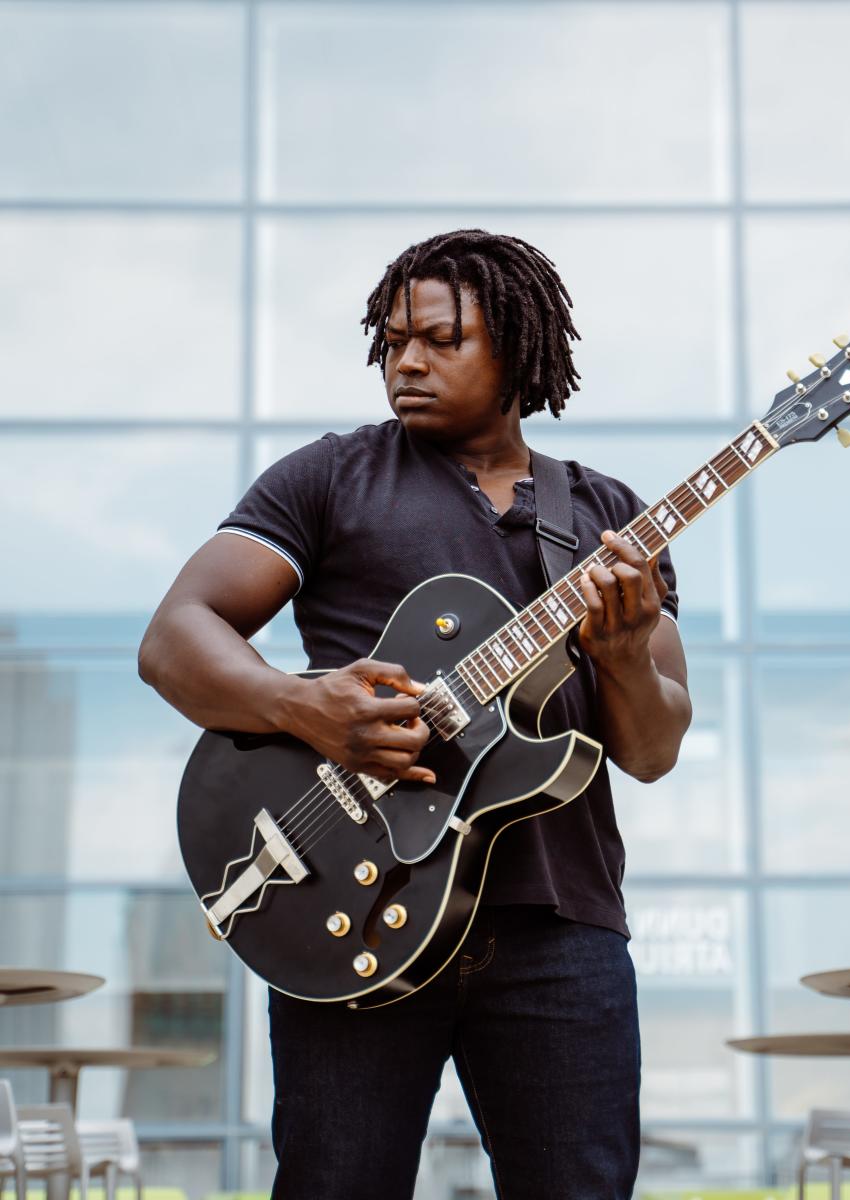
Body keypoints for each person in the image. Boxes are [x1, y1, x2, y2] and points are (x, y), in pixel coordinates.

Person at [139, 229, 692, 1200]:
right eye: (393, 340)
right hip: (341, 909)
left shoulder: (608, 519)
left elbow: (650, 751)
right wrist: (301, 705)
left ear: (520, 352)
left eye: (440, 339)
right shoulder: (331, 477)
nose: (406, 360)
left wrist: (619, 661)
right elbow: (177, 635)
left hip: (560, 931)